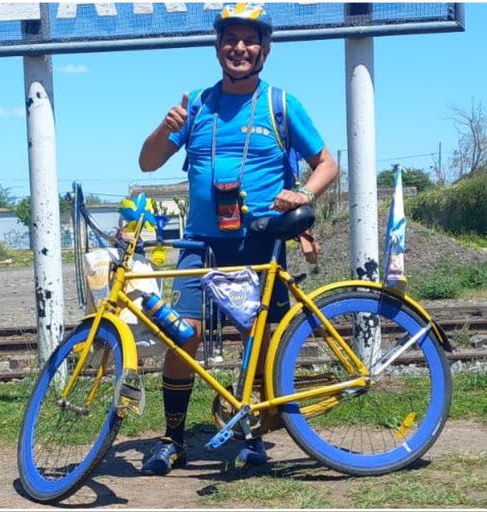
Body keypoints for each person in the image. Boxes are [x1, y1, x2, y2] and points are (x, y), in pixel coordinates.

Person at [138, 2, 338, 475]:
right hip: (201, 243)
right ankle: (173, 439)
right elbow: (148, 163)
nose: (240, 48)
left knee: (259, 339)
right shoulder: (196, 104)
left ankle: (254, 435)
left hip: (260, 241)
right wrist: (164, 129)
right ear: (217, 45)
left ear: (264, 49)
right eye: (231, 39)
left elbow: (327, 163)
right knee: (183, 337)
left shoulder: (282, 104)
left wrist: (303, 193)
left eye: (251, 40)